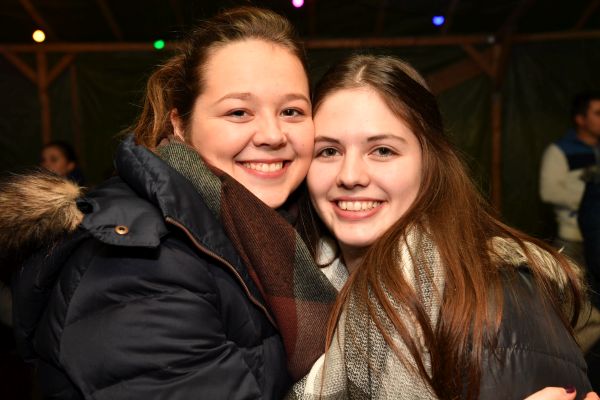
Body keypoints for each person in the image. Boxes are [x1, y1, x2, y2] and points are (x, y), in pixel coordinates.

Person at [1, 7, 335, 399]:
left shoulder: (291, 228)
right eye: (239, 112)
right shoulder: (138, 263)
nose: (273, 134)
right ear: (180, 124)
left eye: (292, 111)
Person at [289, 55, 594, 399]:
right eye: (328, 151)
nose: (350, 176)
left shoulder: (497, 297)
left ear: (429, 162)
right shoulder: (298, 294)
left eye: (383, 150)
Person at [539, 91, 600, 265]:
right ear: (580, 119)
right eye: (598, 113)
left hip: (597, 238)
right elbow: (549, 192)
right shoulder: (559, 151)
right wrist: (590, 201)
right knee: (573, 280)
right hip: (573, 238)